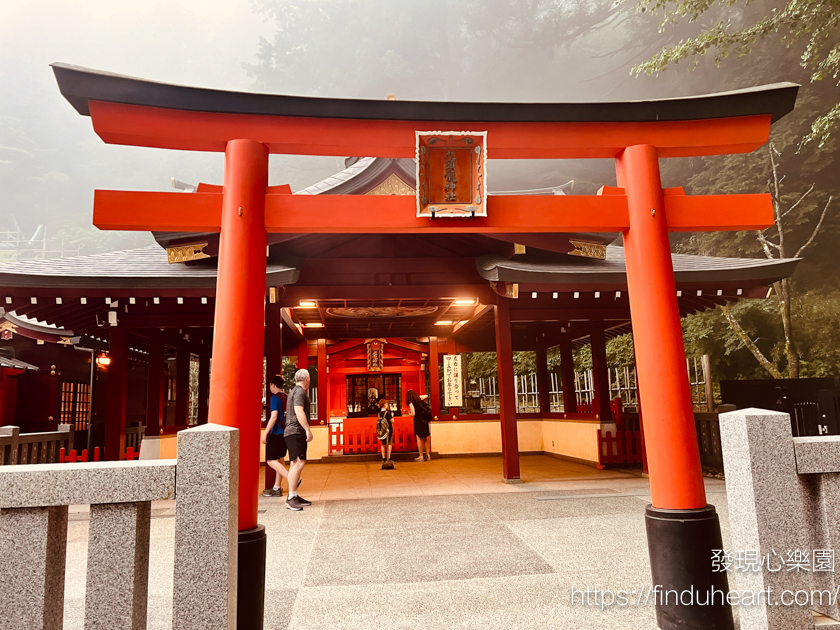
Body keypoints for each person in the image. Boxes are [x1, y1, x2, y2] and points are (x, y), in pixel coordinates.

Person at [284, 368, 313, 511]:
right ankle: (291, 497)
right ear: (307, 379)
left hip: (291, 431)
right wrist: (307, 429)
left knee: (294, 463)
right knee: (298, 462)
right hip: (296, 431)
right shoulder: (300, 392)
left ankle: (293, 494)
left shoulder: (293, 391)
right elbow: (298, 410)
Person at [261, 376, 289, 497]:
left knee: (271, 460)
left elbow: (273, 417)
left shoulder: (274, 398)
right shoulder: (286, 397)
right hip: (285, 432)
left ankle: (291, 478)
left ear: (273, 385)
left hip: (276, 433)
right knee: (280, 459)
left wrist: (265, 433)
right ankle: (277, 487)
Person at [407, 389, 432, 461]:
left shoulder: (411, 403)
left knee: (419, 438)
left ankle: (421, 456)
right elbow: (426, 396)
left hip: (418, 421)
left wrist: (410, 414)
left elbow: (413, 414)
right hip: (424, 421)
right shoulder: (420, 401)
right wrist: (417, 397)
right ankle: (428, 455)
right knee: (425, 438)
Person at [376, 397, 395, 469]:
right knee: (389, 444)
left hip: (382, 431)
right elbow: (392, 421)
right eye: (386, 404)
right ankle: (389, 458)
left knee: (383, 444)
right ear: (384, 405)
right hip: (388, 430)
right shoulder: (387, 413)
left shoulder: (379, 413)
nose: (387, 405)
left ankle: (383, 458)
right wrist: (392, 416)